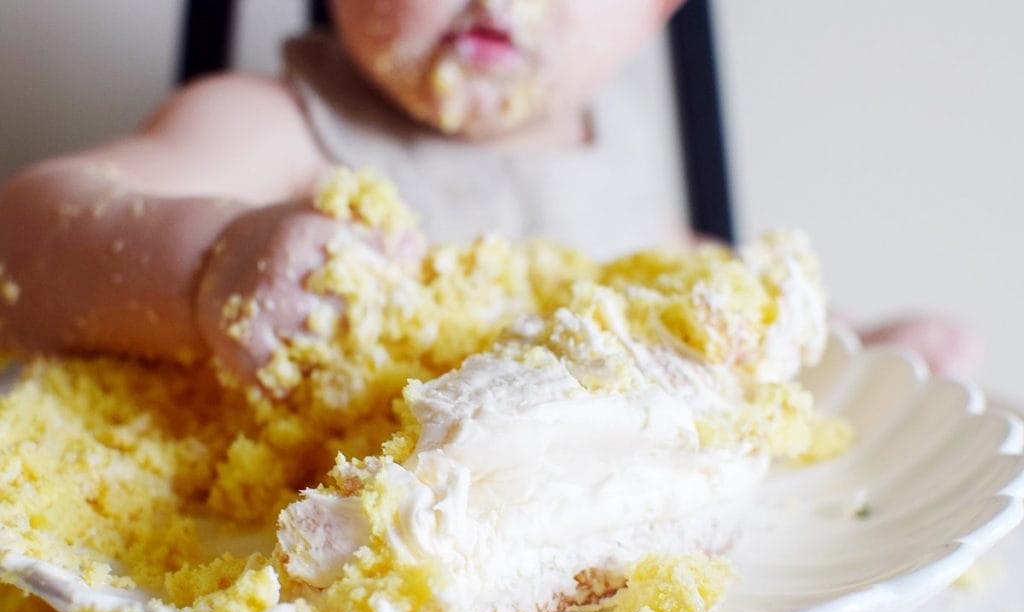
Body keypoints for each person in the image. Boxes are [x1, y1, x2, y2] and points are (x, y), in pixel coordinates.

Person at [0, 0, 978, 383]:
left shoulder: (620, 150)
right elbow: (24, 240)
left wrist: (855, 347)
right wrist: (212, 263)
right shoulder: (275, 125)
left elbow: (695, 280)